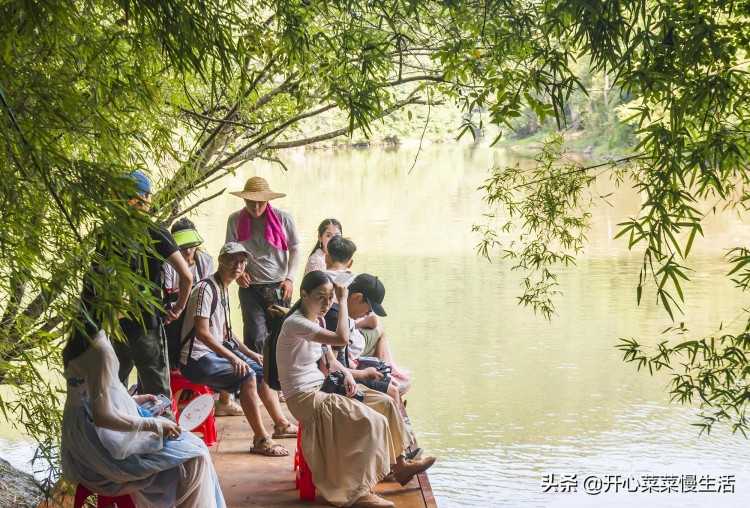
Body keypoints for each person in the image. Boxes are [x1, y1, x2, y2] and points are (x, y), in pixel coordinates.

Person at [276, 270, 435, 508]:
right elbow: (341, 339)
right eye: (321, 297)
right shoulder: (296, 323)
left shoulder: (317, 320)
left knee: (386, 404)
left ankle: (400, 465)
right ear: (304, 295)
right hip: (303, 396)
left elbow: (328, 359)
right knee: (374, 422)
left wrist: (348, 374)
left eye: (330, 298)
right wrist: (341, 300)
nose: (326, 304)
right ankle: (359, 491)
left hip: (321, 387)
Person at [61, 319, 225, 507]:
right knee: (196, 457)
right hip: (97, 445)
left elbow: (94, 395)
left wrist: (134, 401)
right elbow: (102, 417)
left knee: (194, 448)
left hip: (82, 435)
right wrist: (155, 424)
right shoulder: (100, 348)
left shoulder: (81, 337)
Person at [89, 171, 193, 421]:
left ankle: (120, 448)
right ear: (146, 198)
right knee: (160, 398)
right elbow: (186, 276)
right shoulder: (155, 231)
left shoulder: (108, 233)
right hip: (146, 324)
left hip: (115, 326)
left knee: (115, 392)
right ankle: (167, 450)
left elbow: (98, 281)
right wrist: (178, 308)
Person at [179, 242, 298, 456]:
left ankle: (281, 425)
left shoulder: (222, 289)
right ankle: (261, 439)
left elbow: (226, 333)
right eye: (232, 260)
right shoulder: (205, 289)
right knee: (248, 376)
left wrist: (251, 354)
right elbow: (202, 333)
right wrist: (234, 359)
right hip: (196, 358)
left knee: (262, 370)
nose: (237, 266)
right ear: (220, 261)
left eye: (242, 262)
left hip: (213, 353)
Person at [163, 219, 243, 417]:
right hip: (176, 317)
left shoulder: (204, 260)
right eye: (183, 247)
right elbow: (166, 296)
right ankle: (177, 401)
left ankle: (224, 400)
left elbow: (209, 289)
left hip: (201, 313)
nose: (188, 252)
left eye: (192, 246)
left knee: (227, 340)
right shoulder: (168, 264)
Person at [225, 176, 301, 354]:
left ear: (268, 200)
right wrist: (238, 272)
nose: (256, 207)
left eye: (260, 202)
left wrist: (290, 278)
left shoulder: (283, 219)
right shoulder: (235, 220)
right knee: (255, 335)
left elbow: (295, 248)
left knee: (281, 333)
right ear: (244, 199)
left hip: (278, 286)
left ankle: (279, 377)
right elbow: (230, 250)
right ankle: (257, 376)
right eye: (251, 202)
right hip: (249, 287)